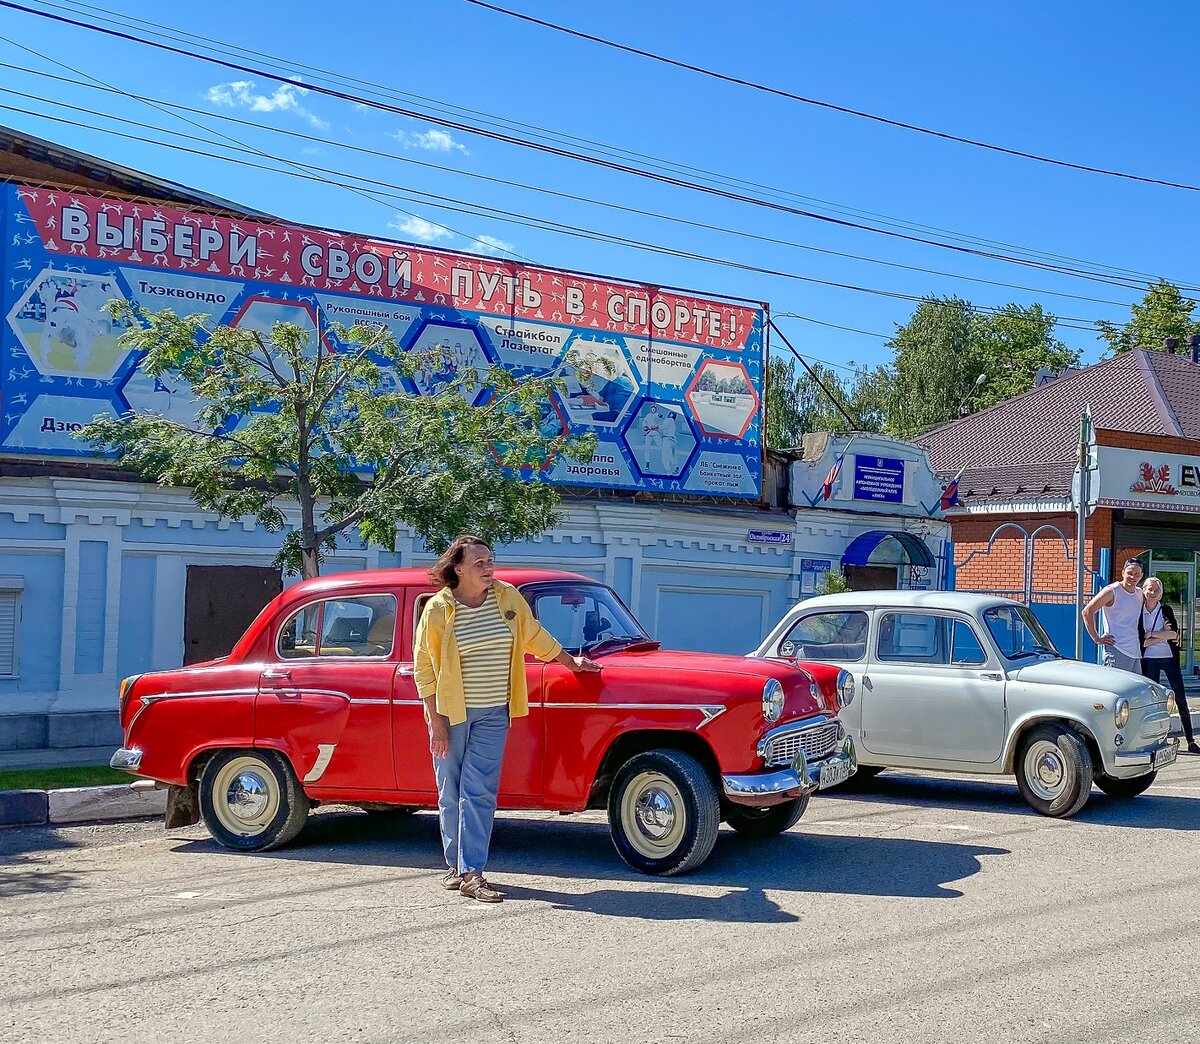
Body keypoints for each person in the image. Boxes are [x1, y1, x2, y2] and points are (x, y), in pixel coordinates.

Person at [414, 535, 602, 903]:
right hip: (450, 713)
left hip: (494, 711)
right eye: (479, 562)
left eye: (490, 560)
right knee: (450, 790)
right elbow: (424, 669)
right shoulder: (439, 609)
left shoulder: (506, 597)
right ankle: (455, 866)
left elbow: (533, 635)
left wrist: (570, 661)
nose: (488, 568)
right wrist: (436, 724)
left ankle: (472, 872)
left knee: (478, 791)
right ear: (459, 568)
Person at [1139, 576, 1199, 754]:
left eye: (1156, 590)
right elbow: (1142, 642)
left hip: (1169, 658)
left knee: (1180, 698)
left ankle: (1190, 740)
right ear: (1143, 591)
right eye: (1149, 589)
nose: (1152, 593)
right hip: (1149, 660)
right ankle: (1154, 740)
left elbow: (1173, 634)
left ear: (1160, 594)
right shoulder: (1138, 612)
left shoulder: (1165, 609)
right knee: (1153, 701)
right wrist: (1159, 635)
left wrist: (1152, 634)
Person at [1082, 559, 1145, 673]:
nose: (1133, 577)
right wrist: (1096, 638)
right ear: (1123, 573)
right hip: (1116, 649)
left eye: (1136, 574)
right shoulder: (1112, 591)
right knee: (1115, 687)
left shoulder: (1139, 593)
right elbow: (1087, 612)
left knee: (1135, 689)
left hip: (1134, 651)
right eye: (1129, 573)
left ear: (1141, 576)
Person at [641, 404, 662, 470]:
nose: (653, 409)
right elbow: (644, 422)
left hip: (656, 433)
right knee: (647, 449)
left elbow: (659, 417)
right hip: (649, 433)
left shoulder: (656, 415)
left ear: (656, 409)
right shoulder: (648, 415)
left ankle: (666, 460)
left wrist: (660, 415)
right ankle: (647, 463)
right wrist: (645, 427)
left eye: (654, 408)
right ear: (651, 409)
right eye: (652, 408)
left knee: (661, 446)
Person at [659, 406, 678, 472]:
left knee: (665, 456)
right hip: (673, 440)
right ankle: (676, 467)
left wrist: (654, 427)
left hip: (667, 440)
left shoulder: (668, 420)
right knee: (673, 455)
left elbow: (662, 427)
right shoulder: (673, 422)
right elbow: (664, 422)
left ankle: (668, 470)